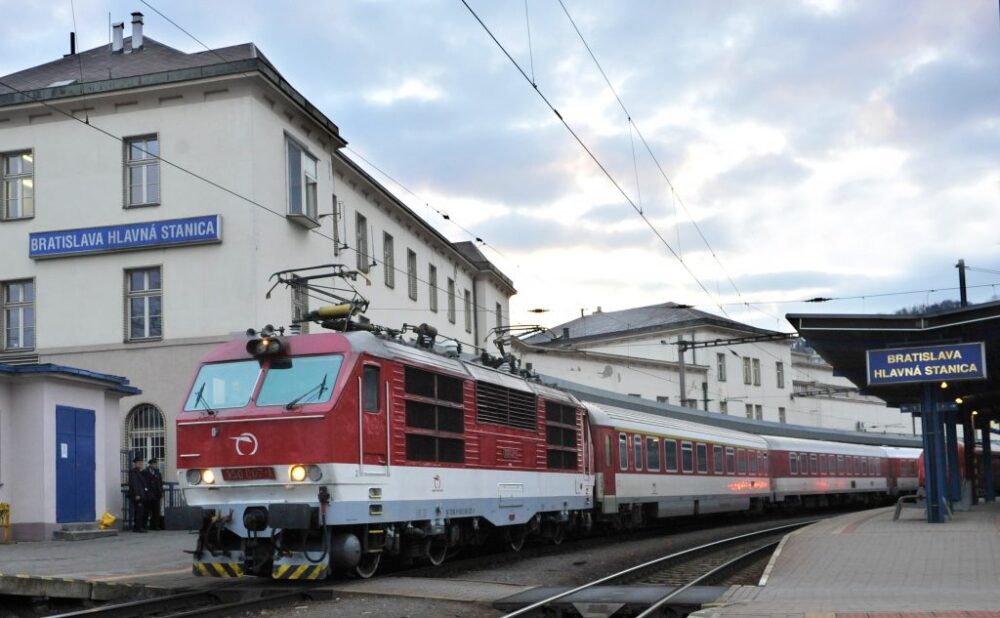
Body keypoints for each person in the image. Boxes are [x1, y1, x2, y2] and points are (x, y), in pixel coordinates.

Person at [127, 454, 150, 533]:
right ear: (135, 463)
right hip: (137, 495)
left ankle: (138, 526)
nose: (140, 464)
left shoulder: (140, 472)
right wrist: (137, 494)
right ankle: (138, 527)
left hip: (142, 495)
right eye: (139, 462)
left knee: (140, 511)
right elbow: (134, 484)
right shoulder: (133, 472)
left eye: (141, 462)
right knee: (139, 511)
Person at [142, 458, 164, 530]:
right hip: (148, 494)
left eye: (156, 464)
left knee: (156, 511)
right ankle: (144, 525)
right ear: (150, 464)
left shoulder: (157, 473)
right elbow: (144, 483)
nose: (155, 465)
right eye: (154, 464)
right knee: (147, 511)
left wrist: (161, 492)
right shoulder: (145, 472)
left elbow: (160, 483)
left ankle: (155, 525)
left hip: (156, 494)